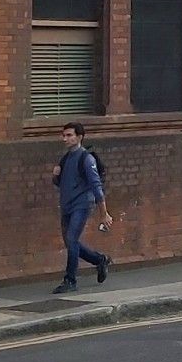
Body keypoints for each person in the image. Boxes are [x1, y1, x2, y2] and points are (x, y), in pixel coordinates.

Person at [50, 122, 113, 294]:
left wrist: (104, 213)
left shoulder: (87, 159)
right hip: (67, 206)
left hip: (82, 205)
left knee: (71, 240)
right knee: (72, 243)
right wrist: (55, 176)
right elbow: (61, 183)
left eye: (69, 135)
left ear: (79, 137)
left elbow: (96, 185)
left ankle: (70, 280)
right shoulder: (65, 159)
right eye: (64, 135)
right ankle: (100, 260)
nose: (65, 139)